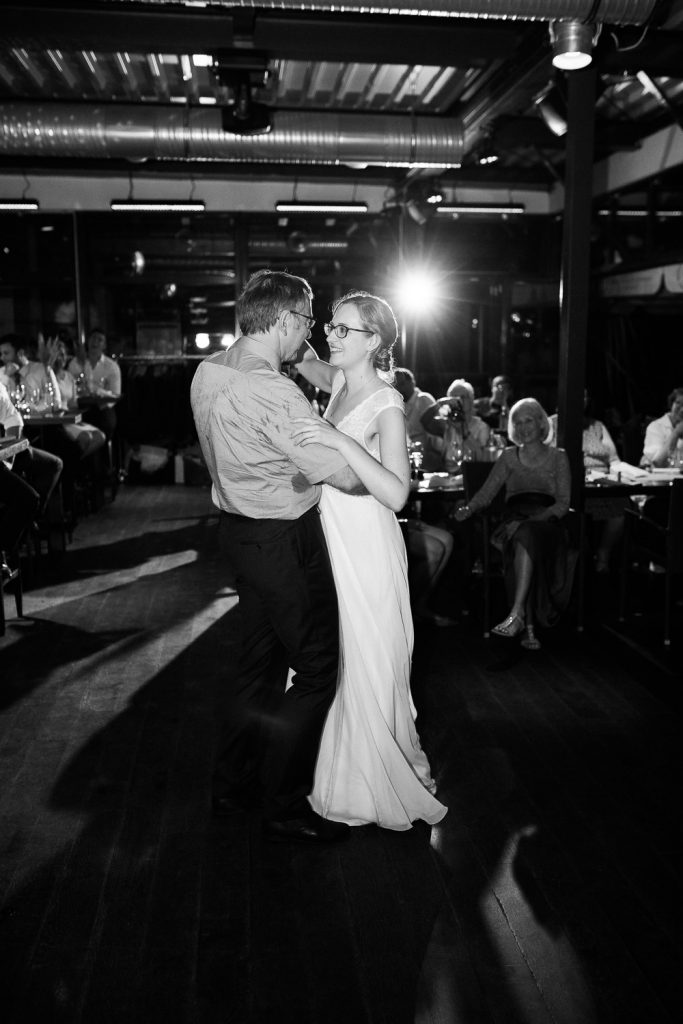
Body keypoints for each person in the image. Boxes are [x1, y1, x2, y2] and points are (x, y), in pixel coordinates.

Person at [191, 270, 365, 846]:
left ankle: (230, 783)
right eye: (307, 321)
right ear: (287, 320)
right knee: (316, 669)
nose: (310, 332)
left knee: (256, 665)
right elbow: (339, 474)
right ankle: (285, 801)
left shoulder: (209, 370)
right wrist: (374, 466)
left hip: (237, 533)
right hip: (283, 542)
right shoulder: (273, 390)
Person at [292, 291, 447, 830]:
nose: (330, 337)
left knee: (370, 658)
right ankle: (334, 773)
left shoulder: (388, 405)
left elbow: (398, 494)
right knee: (337, 659)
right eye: (331, 327)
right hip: (332, 541)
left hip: (369, 547)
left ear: (374, 342)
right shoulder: (335, 383)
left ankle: (375, 781)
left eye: (343, 330)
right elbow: (294, 353)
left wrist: (340, 441)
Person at [455, 398, 573, 651]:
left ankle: (520, 617)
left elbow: (563, 504)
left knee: (525, 534)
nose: (523, 427)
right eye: (517, 422)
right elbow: (487, 493)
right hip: (515, 520)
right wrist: (469, 508)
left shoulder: (558, 457)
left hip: (547, 522)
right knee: (523, 536)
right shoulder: (509, 456)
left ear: (541, 423)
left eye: (528, 420)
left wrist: (534, 520)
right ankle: (523, 622)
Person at [550, 392, 624, 573]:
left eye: (584, 397)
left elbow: (613, 458)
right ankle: (574, 562)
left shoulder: (597, 426)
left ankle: (603, 555)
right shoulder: (551, 424)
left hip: (600, 482)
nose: (580, 400)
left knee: (621, 508)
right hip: (567, 484)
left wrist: (621, 473)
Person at [420, 378, 492, 471]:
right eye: (454, 398)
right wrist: (440, 403)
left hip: (471, 475)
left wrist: (462, 429)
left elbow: (482, 457)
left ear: (471, 400)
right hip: (448, 476)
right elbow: (424, 421)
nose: (459, 401)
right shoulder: (447, 424)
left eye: (463, 397)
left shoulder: (482, 427)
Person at [68, 328, 122, 440]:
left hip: (103, 408)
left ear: (104, 345)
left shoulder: (111, 366)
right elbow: (71, 388)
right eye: (93, 338)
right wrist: (82, 365)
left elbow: (115, 393)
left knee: (106, 423)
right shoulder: (75, 362)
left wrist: (99, 393)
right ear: (88, 341)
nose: (95, 342)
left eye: (100, 340)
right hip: (81, 407)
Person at [393, 366, 440, 471]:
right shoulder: (398, 404)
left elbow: (436, 431)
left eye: (402, 384)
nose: (398, 389)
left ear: (412, 382)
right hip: (408, 457)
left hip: (428, 458)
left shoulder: (423, 399)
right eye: (395, 386)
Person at [640, 387, 683, 468]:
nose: (682, 409)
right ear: (671, 404)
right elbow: (658, 463)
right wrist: (676, 433)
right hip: (661, 479)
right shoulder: (655, 427)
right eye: (678, 403)